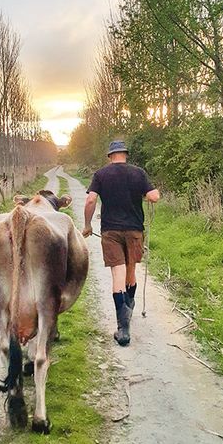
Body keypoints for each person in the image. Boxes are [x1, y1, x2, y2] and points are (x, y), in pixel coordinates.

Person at [82, 140, 160, 346]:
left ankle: (123, 329)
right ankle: (130, 303)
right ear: (125, 154)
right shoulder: (139, 173)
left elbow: (90, 201)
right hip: (134, 229)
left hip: (111, 231)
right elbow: (153, 196)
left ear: (110, 156)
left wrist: (87, 225)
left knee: (118, 272)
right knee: (130, 268)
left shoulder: (101, 175)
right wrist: (146, 195)